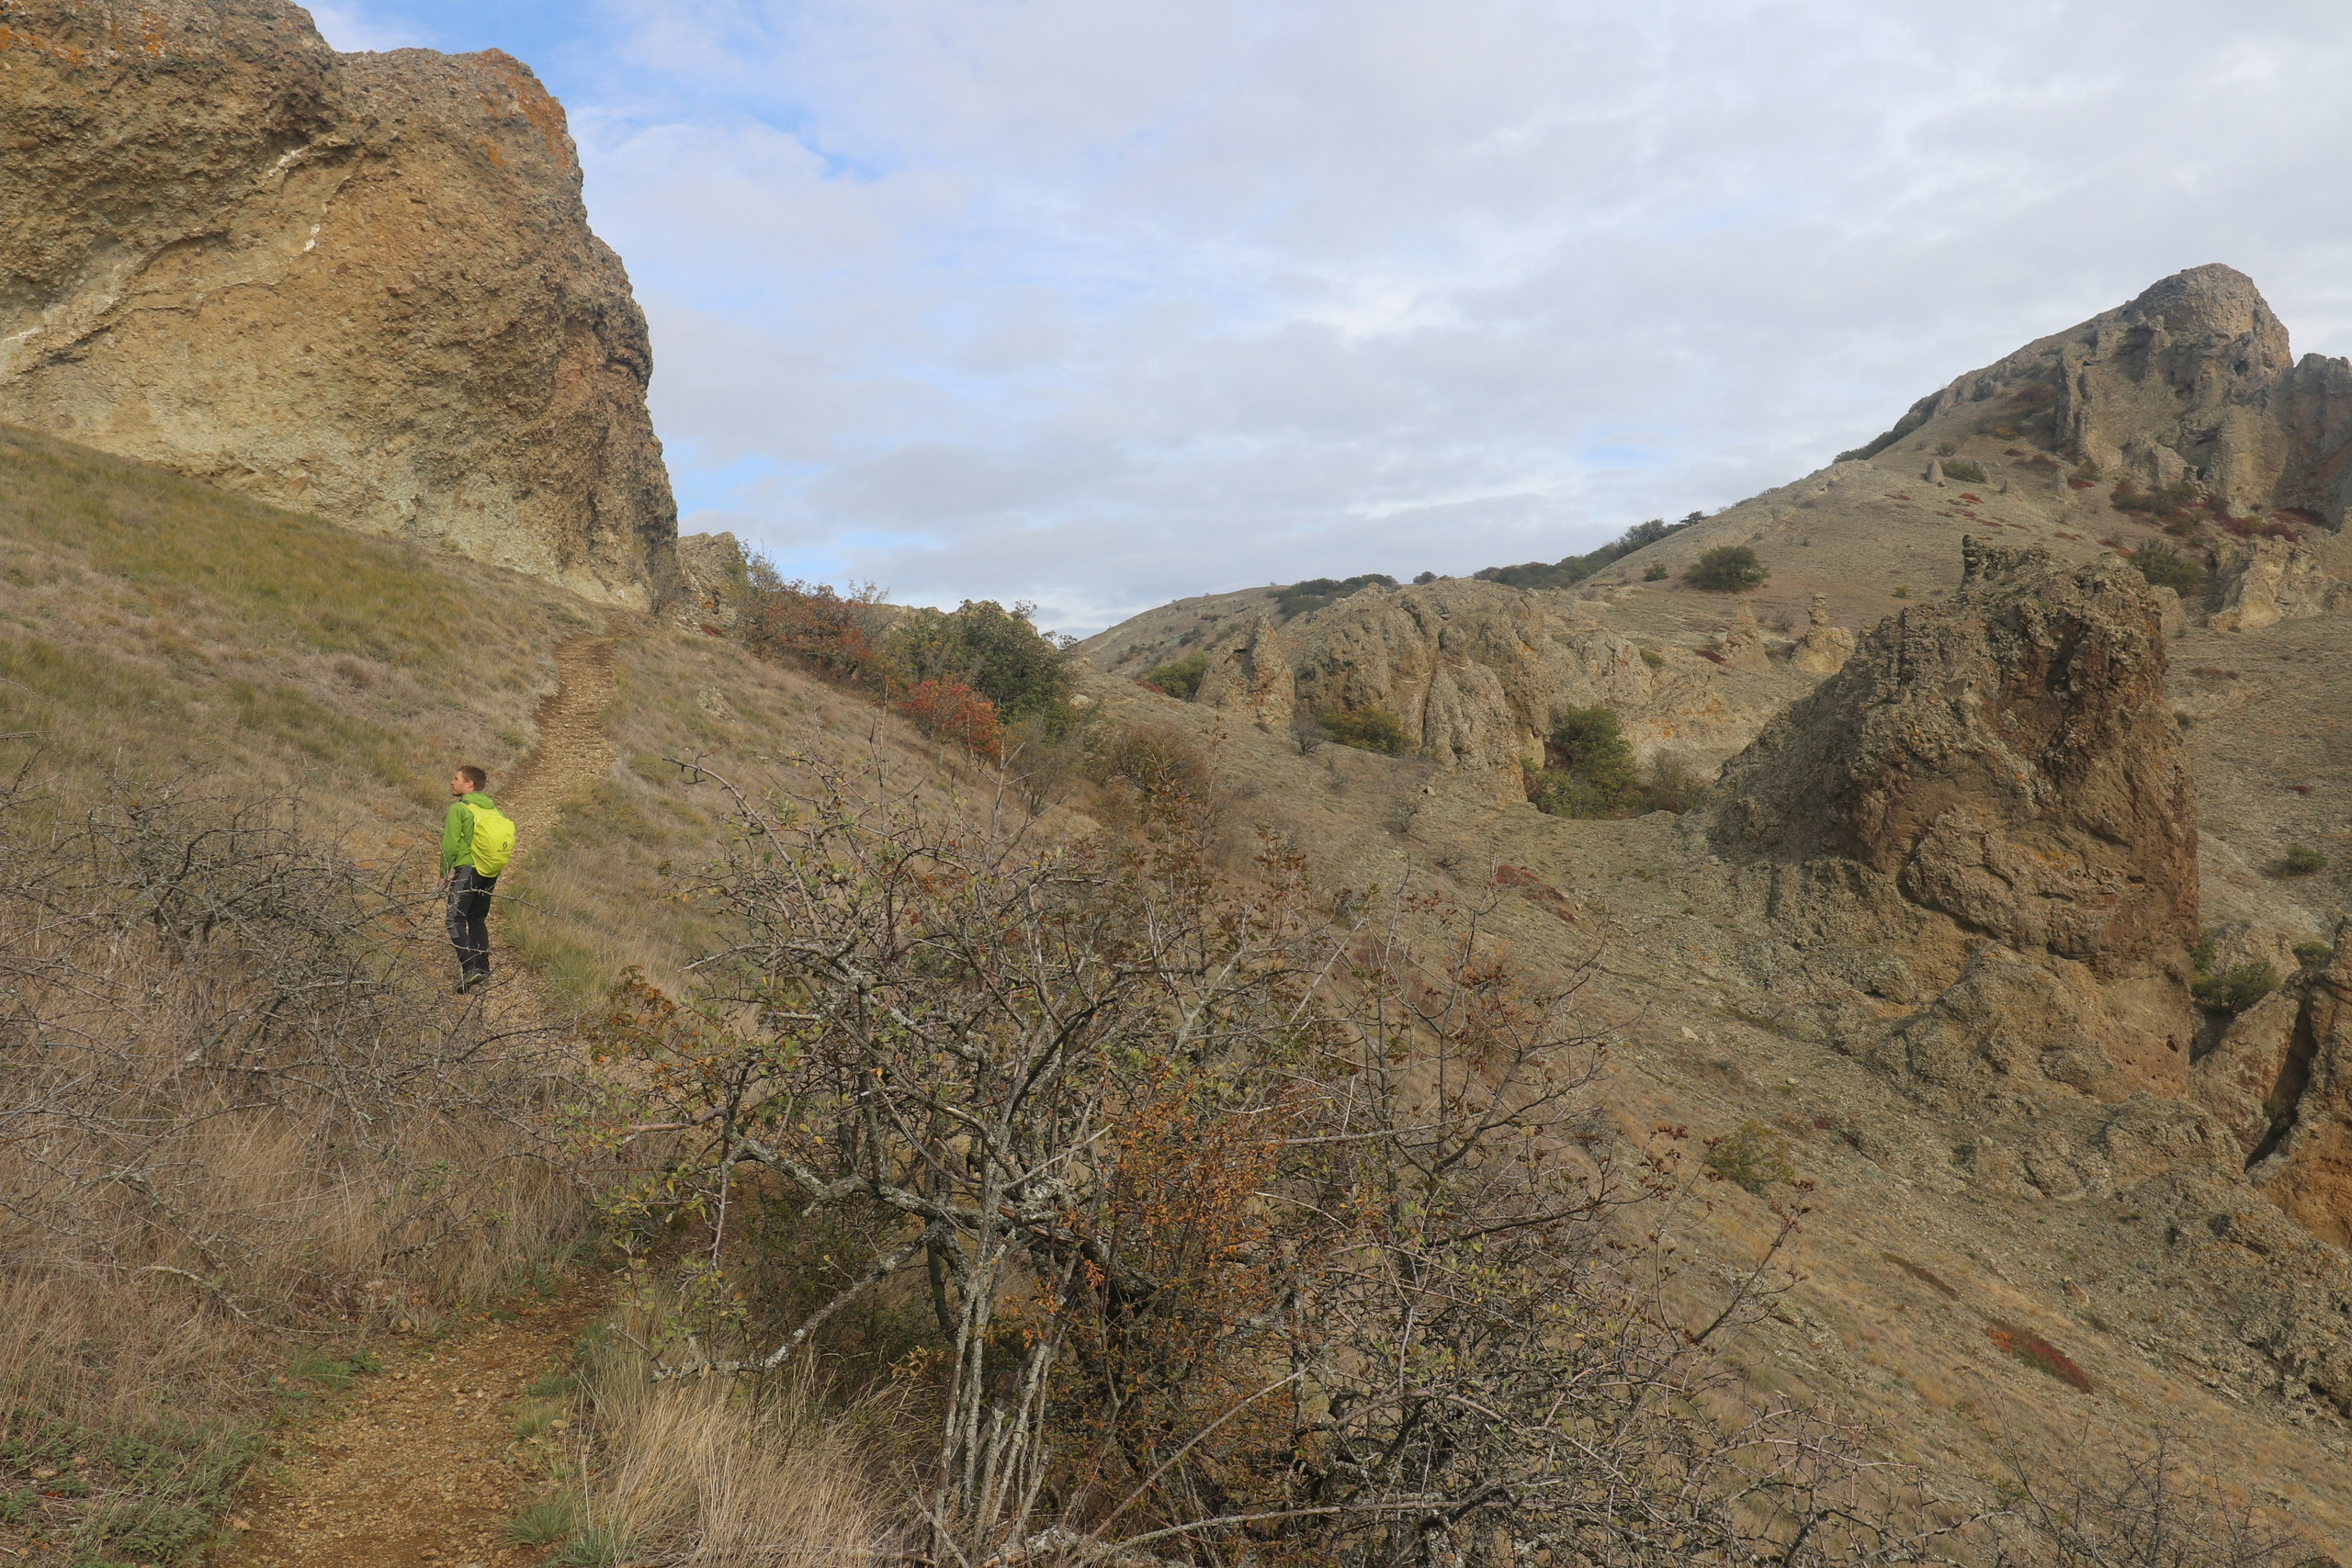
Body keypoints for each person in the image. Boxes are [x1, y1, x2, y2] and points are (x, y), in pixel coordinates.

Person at [440, 765, 516, 993]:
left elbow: (450, 844)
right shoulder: (495, 811)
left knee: (453, 919)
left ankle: (470, 968)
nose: (452, 783)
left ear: (469, 784)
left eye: (456, 779)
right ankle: (482, 969)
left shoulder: (460, 809)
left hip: (468, 869)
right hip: (489, 871)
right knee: (476, 918)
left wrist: (443, 873)